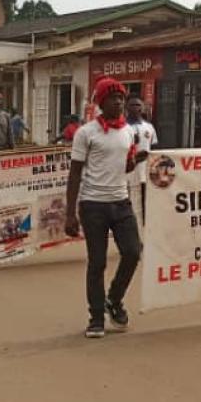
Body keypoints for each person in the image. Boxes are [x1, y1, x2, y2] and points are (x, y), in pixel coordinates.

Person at [65, 78, 148, 339]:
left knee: (133, 252)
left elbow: (124, 166)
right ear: (101, 102)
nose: (119, 102)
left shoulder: (127, 131)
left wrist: (135, 162)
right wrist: (70, 213)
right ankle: (96, 317)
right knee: (97, 262)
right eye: (113, 98)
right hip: (93, 205)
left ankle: (114, 298)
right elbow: (75, 173)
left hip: (121, 202)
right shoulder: (86, 133)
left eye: (121, 98)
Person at [126, 95, 158, 222]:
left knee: (145, 200)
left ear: (143, 107)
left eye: (138, 105)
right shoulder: (122, 127)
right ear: (126, 107)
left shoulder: (149, 127)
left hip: (145, 171)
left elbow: (154, 147)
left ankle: (145, 224)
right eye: (132, 105)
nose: (135, 108)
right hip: (127, 173)